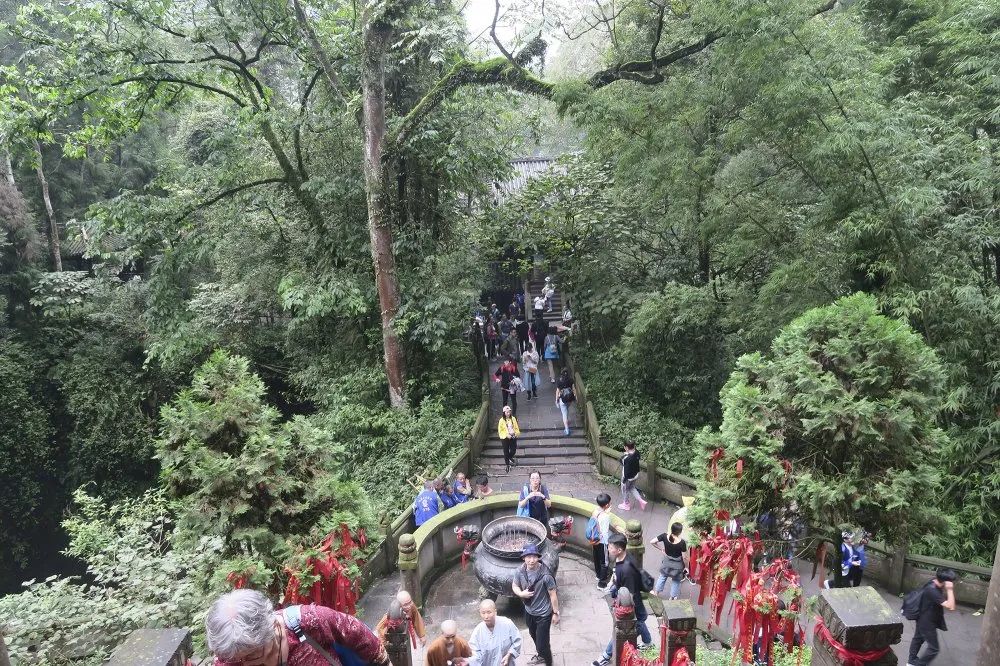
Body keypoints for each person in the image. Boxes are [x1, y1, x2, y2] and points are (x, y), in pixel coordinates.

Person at [205, 588, 390, 666]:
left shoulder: (310, 621)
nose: (244, 662)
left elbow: (360, 636)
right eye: (240, 658)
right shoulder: (229, 656)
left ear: (269, 629)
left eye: (251, 654)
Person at [592, 534, 654, 665]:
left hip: (631, 604)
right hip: (634, 599)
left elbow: (630, 594)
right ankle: (648, 642)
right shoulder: (624, 559)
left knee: (620, 630)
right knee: (641, 621)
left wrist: (620, 605)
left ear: (619, 550)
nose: (608, 548)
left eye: (610, 547)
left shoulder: (626, 569)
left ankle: (606, 656)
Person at [512, 544, 560, 666]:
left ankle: (548, 662)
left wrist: (555, 613)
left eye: (534, 557)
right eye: (528, 557)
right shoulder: (520, 571)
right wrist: (521, 594)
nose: (531, 560)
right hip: (529, 611)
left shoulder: (546, 575)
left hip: (544, 614)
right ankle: (541, 656)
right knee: (533, 635)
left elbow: (553, 595)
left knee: (543, 644)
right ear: (524, 558)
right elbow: (515, 585)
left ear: (538, 557)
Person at [906, 568, 957, 666]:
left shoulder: (934, 581)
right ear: (946, 582)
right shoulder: (932, 590)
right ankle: (918, 664)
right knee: (934, 648)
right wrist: (950, 590)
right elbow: (951, 606)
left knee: (918, 639)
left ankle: (911, 662)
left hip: (923, 617)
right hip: (927, 622)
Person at [469, 599, 521, 666]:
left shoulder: (507, 624)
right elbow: (474, 652)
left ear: (495, 612)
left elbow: (517, 640)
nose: (486, 616)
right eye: (483, 613)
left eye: (489, 612)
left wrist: (509, 654)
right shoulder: (477, 632)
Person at [651, 522, 687, 599]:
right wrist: (686, 567)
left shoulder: (664, 536)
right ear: (680, 532)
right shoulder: (682, 543)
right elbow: (684, 557)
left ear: (671, 529)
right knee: (676, 581)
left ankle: (656, 592)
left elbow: (652, 542)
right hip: (677, 565)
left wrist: (661, 549)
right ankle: (672, 597)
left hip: (666, 562)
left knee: (662, 576)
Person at [591, 493, 614, 587]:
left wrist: (605, 511)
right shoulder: (605, 516)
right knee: (604, 561)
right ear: (607, 505)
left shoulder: (595, 512)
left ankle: (598, 574)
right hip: (602, 542)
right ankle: (602, 582)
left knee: (596, 557)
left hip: (594, 540)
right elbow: (604, 532)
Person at [619, 441, 647, 511]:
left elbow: (623, 465)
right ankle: (641, 500)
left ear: (626, 447)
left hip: (627, 478)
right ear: (634, 447)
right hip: (635, 475)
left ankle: (626, 504)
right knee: (632, 488)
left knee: (625, 490)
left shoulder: (625, 458)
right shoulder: (637, 453)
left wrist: (624, 479)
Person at [498, 405, 520, 472]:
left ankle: (510, 457)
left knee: (513, 449)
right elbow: (500, 430)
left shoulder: (513, 418)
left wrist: (516, 434)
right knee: (506, 451)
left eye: (509, 412)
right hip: (505, 438)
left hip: (513, 436)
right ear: (504, 413)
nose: (508, 413)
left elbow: (516, 427)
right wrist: (506, 435)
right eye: (507, 412)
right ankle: (507, 464)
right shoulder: (501, 420)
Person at [555, 368, 575, 436]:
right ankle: (567, 421)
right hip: (569, 399)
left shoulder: (559, 381)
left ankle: (567, 429)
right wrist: (576, 397)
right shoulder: (571, 380)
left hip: (562, 399)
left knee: (564, 414)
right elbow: (573, 389)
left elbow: (557, 391)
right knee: (566, 409)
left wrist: (556, 400)